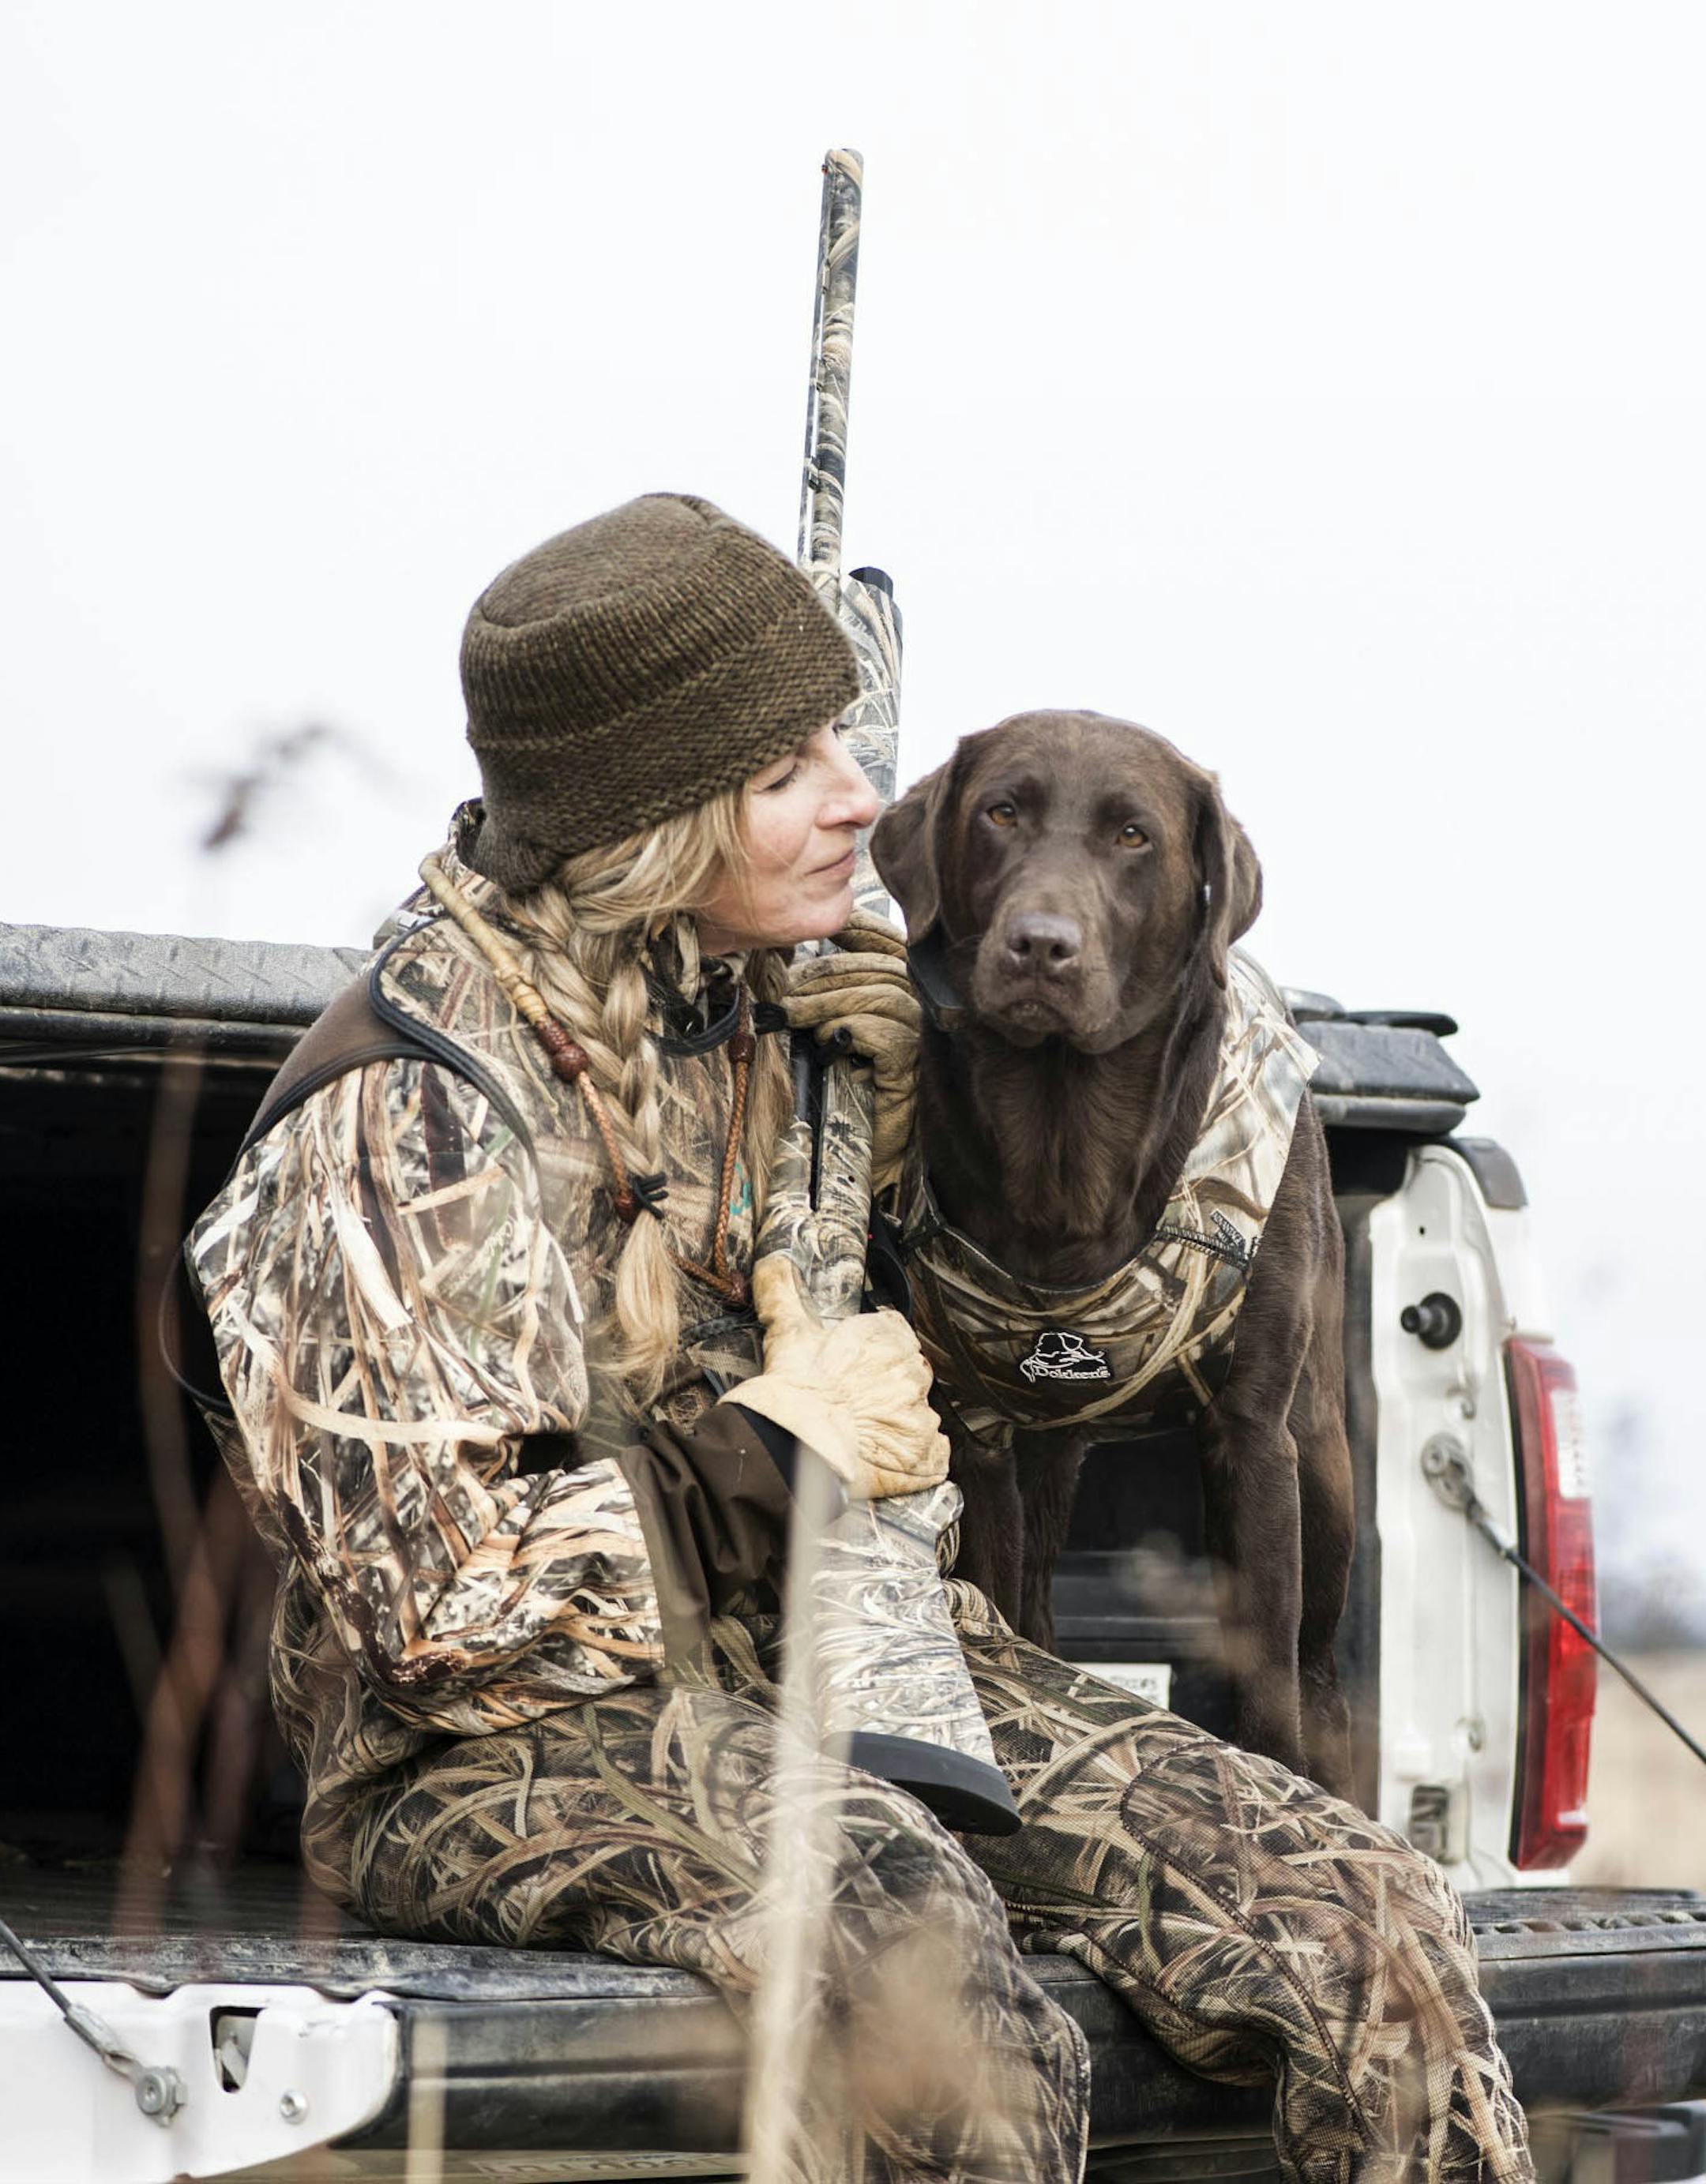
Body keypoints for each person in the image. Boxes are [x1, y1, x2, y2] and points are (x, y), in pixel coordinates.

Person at [190, 492, 1535, 2182]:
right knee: (933, 1986)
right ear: (654, 821)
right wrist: (777, 1443)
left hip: (841, 1661)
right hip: (496, 1746)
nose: (857, 797)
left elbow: (1067, 1294)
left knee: (1365, 1916)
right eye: (786, 771)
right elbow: (443, 1609)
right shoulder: (406, 1105)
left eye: (843, 737)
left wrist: (922, 1122)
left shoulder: (801, 1019)